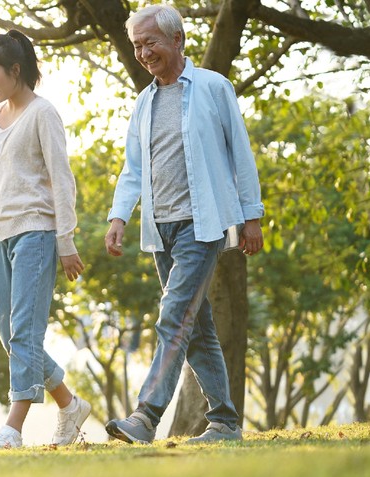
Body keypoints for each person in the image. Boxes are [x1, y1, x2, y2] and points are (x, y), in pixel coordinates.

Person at [103, 4, 264, 445]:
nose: (143, 53)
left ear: (177, 40)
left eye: (150, 42)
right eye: (137, 45)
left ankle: (145, 416)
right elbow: (132, 168)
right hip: (160, 230)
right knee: (197, 327)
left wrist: (252, 216)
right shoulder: (144, 101)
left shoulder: (214, 87)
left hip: (202, 223)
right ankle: (226, 423)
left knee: (173, 316)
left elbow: (240, 155)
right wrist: (120, 216)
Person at [0, 30, 92, 449]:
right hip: (1, 234)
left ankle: (13, 427)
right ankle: (70, 403)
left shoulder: (43, 114)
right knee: (11, 336)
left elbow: (63, 179)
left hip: (37, 233)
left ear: (15, 70)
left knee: (24, 331)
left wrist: (66, 240)